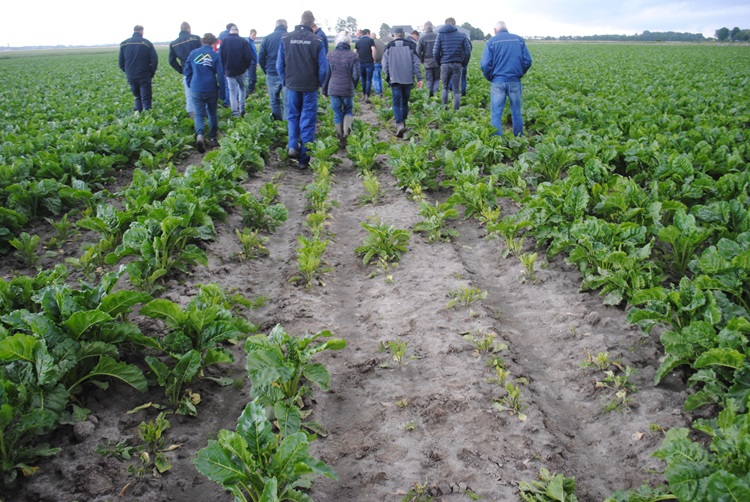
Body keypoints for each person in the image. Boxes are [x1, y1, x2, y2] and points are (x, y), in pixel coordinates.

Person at [277, 10, 328, 169]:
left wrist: (285, 81)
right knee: (308, 119)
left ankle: (293, 145)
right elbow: (324, 68)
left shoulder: (286, 38)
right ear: (312, 23)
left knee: (293, 116)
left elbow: (279, 65)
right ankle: (304, 159)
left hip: (292, 85)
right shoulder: (317, 40)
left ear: (301, 21)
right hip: (310, 86)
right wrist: (319, 83)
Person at [480, 21, 532, 136]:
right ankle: (519, 138)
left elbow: (484, 64)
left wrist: (491, 77)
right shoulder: (519, 40)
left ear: (495, 30)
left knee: (496, 114)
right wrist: (519, 73)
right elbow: (528, 61)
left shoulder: (491, 42)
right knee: (516, 112)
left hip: (498, 81)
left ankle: (497, 142)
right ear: (506, 28)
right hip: (515, 80)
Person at [184, 33, 224, 152]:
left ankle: (200, 135)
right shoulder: (215, 55)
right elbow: (221, 76)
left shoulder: (193, 53)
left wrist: (190, 84)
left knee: (199, 114)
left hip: (196, 88)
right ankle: (212, 138)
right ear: (213, 42)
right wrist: (222, 92)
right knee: (212, 113)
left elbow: (187, 71)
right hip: (211, 88)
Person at [382, 27, 423, 137]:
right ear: (403, 35)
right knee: (405, 101)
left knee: (396, 103)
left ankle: (399, 123)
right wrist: (419, 78)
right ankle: (403, 122)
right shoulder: (411, 45)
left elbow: (384, 64)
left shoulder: (389, 46)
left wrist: (388, 75)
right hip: (408, 79)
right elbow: (416, 63)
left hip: (394, 79)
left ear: (395, 35)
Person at [323, 31, 360, 148]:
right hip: (347, 87)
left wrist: (324, 90)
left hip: (333, 88)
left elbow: (327, 74)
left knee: (337, 112)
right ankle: (346, 133)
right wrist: (353, 85)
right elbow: (356, 75)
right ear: (349, 41)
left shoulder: (330, 54)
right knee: (348, 110)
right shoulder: (352, 55)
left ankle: (340, 138)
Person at [433, 17, 471, 110]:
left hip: (444, 64)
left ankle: (445, 109)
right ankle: (456, 110)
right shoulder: (462, 35)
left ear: (445, 24)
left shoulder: (440, 35)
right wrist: (464, 63)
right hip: (457, 64)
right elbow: (468, 51)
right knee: (456, 90)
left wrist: (439, 63)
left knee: (445, 87)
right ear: (455, 24)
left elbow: (435, 52)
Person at [119, 25, 158, 112]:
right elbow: (154, 60)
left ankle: (138, 113)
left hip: (131, 74)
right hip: (144, 74)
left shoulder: (124, 44)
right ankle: (147, 114)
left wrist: (128, 71)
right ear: (142, 31)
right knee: (146, 97)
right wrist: (151, 72)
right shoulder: (147, 43)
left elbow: (121, 63)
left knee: (137, 96)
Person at [169, 22, 202, 120]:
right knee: (202, 92)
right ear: (189, 29)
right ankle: (203, 115)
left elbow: (171, 61)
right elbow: (203, 52)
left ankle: (192, 117)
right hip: (199, 70)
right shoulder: (196, 38)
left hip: (186, 71)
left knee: (189, 95)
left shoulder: (174, 43)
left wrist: (181, 70)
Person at [220, 24, 254, 117]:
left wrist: (224, 68)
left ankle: (235, 113)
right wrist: (246, 67)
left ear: (230, 31)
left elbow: (220, 56)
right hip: (241, 70)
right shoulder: (243, 41)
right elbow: (249, 56)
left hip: (229, 71)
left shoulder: (224, 41)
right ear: (238, 32)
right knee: (242, 88)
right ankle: (242, 109)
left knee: (232, 92)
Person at [258, 19, 288, 120]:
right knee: (287, 102)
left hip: (271, 72)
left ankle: (277, 121)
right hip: (286, 73)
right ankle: (286, 123)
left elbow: (261, 58)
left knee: (274, 100)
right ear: (286, 27)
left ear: (276, 26)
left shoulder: (267, 38)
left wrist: (266, 70)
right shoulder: (289, 37)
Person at [416, 21, 439, 97]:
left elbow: (418, 52)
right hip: (437, 62)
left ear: (425, 28)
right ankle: (435, 96)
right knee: (436, 79)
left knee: (429, 80)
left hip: (427, 62)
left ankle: (429, 96)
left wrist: (422, 61)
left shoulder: (422, 38)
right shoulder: (437, 36)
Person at [354, 28, 376, 102]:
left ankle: (363, 94)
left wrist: (356, 60)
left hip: (361, 63)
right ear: (367, 33)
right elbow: (373, 49)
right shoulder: (370, 40)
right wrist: (374, 58)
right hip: (369, 62)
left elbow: (355, 52)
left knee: (363, 79)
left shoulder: (358, 41)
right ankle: (367, 95)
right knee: (369, 79)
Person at [371, 32, 386, 96]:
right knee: (379, 77)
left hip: (375, 62)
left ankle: (377, 92)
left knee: (375, 78)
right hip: (381, 62)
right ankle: (381, 90)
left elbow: (373, 51)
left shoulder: (372, 43)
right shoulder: (381, 42)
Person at [246, 29, 259, 94]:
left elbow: (254, 53)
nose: (254, 37)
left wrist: (256, 62)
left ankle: (252, 90)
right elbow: (249, 54)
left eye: (255, 35)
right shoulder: (248, 42)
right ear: (250, 34)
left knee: (254, 77)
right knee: (251, 78)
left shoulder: (252, 42)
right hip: (251, 63)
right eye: (253, 35)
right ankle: (250, 91)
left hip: (253, 62)